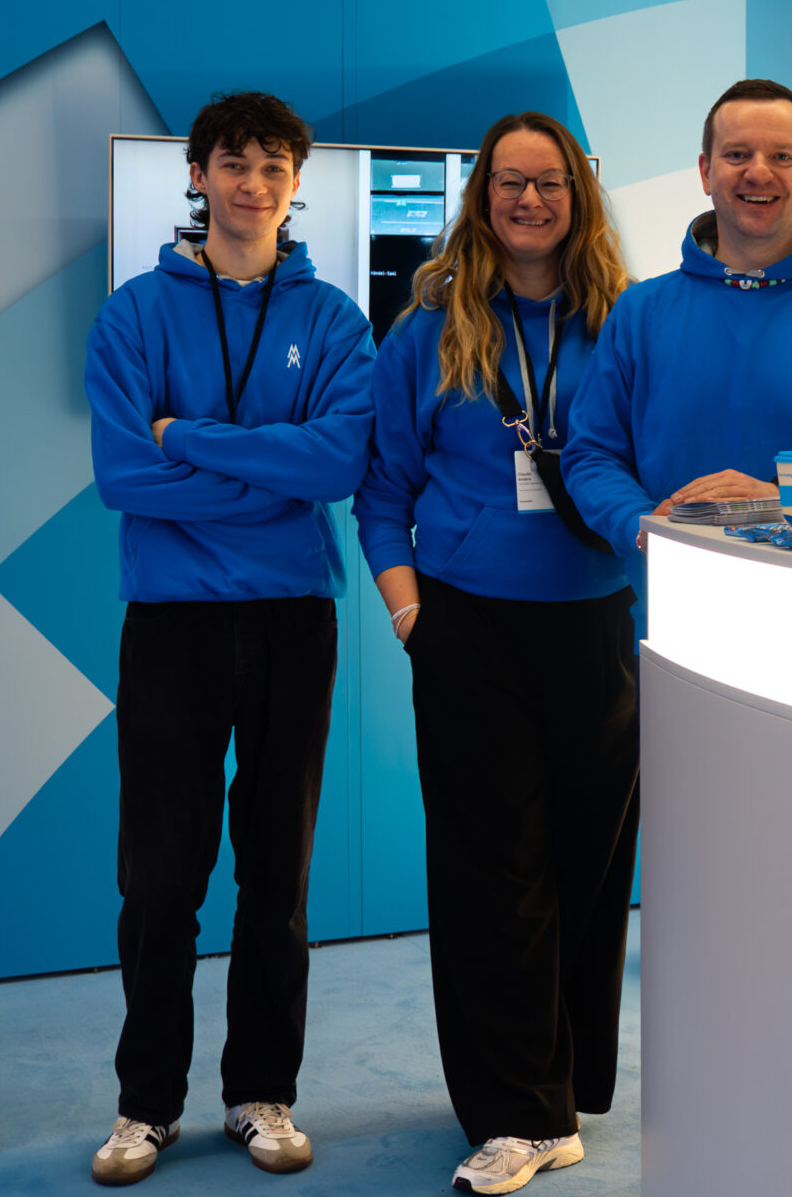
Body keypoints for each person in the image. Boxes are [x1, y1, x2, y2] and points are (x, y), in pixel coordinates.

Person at [82, 91, 376, 1186]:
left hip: (294, 621)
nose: (254, 184)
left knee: (276, 876)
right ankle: (145, 1105)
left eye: (273, 167)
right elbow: (125, 476)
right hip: (171, 623)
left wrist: (190, 440)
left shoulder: (335, 320)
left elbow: (335, 466)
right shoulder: (132, 315)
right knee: (160, 880)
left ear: (296, 184)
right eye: (234, 163)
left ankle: (262, 1093)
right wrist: (266, 472)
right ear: (198, 175)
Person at [353, 113, 640, 1196]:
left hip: (594, 626)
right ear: (480, 199)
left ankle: (564, 1089)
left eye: (550, 182)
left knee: (588, 864)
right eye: (509, 182)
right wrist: (411, 619)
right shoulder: (427, 333)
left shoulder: (624, 324)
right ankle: (517, 1111)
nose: (529, 200)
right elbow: (381, 493)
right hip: (467, 626)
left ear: (579, 196)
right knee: (493, 874)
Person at [562, 78, 792, 549]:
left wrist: (789, 500)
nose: (758, 172)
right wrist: (641, 526)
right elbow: (593, 453)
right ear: (705, 172)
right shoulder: (639, 312)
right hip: (675, 579)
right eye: (737, 155)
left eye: (782, 156)